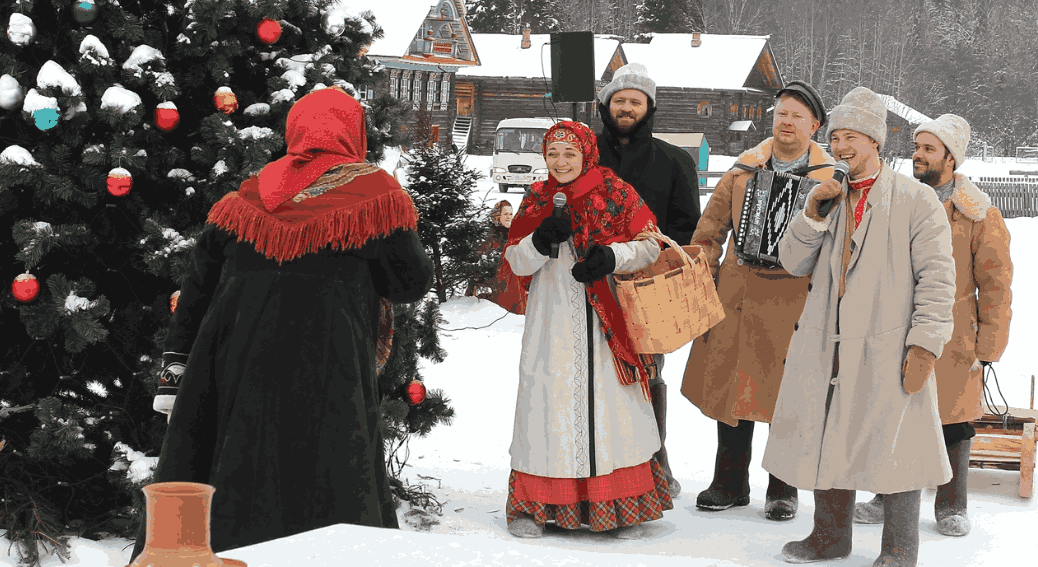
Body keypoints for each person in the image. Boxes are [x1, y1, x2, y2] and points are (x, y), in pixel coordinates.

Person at [133, 87, 434, 558]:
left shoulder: (243, 198)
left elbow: (197, 291)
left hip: (230, 367)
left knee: (229, 476)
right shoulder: (376, 195)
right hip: (328, 371)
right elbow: (409, 283)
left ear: (295, 131)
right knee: (327, 477)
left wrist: (175, 373)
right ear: (353, 135)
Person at [762, 86, 956, 567]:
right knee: (829, 434)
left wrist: (926, 344)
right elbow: (792, 262)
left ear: (876, 141)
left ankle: (899, 551)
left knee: (899, 449)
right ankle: (830, 538)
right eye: (837, 137)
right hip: (826, 342)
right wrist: (812, 216)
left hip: (889, 345)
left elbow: (938, 278)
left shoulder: (916, 199)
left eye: (853, 136)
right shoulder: (827, 193)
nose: (843, 146)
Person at [497, 121, 672, 540]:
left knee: (613, 408)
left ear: (586, 154)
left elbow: (651, 243)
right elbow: (514, 263)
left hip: (605, 317)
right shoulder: (538, 198)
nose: (560, 162)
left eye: (569, 154)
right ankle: (535, 506)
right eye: (553, 154)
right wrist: (539, 241)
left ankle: (621, 508)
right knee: (546, 406)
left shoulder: (617, 194)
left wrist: (612, 256)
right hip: (550, 320)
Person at [680, 80, 834, 521]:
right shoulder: (742, 169)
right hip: (740, 291)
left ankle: (783, 489)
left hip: (795, 298)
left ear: (814, 126)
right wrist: (703, 280)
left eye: (797, 116)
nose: (786, 123)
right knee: (732, 387)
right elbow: (709, 232)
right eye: (781, 113)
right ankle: (728, 482)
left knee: (788, 396)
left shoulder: (831, 177)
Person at [854, 114, 1013, 537]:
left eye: (928, 149)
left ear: (951, 157)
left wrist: (988, 346)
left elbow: (996, 285)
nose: (917, 155)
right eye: (917, 147)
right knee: (891, 411)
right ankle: (884, 494)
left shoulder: (978, 215)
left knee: (953, 419)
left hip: (954, 333)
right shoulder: (894, 199)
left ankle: (951, 504)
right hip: (891, 327)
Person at [595, 62, 703, 496]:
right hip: (588, 281)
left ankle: (657, 462)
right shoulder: (583, 156)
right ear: (606, 106)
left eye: (634, 101)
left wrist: (645, 258)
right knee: (592, 373)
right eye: (618, 100)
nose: (626, 107)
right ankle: (595, 460)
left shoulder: (674, 160)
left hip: (646, 285)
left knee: (647, 375)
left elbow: (686, 227)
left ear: (649, 107)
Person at [465, 200, 512, 300]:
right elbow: (481, 258)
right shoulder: (489, 233)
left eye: (511, 214)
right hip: (487, 283)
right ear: (497, 215)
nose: (509, 217)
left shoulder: (512, 232)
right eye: (505, 214)